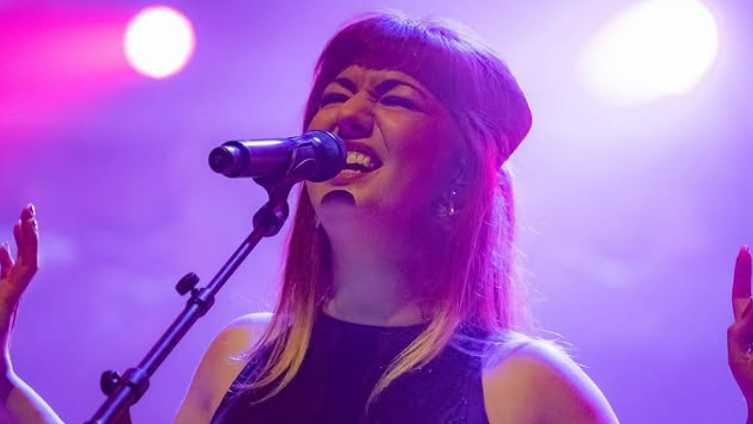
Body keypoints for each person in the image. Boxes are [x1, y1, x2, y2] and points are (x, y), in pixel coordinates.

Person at [0, 12, 746, 424]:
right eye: (336, 92)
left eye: (394, 97)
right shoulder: (237, 357)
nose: (348, 115)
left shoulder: (525, 390)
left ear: (461, 177)